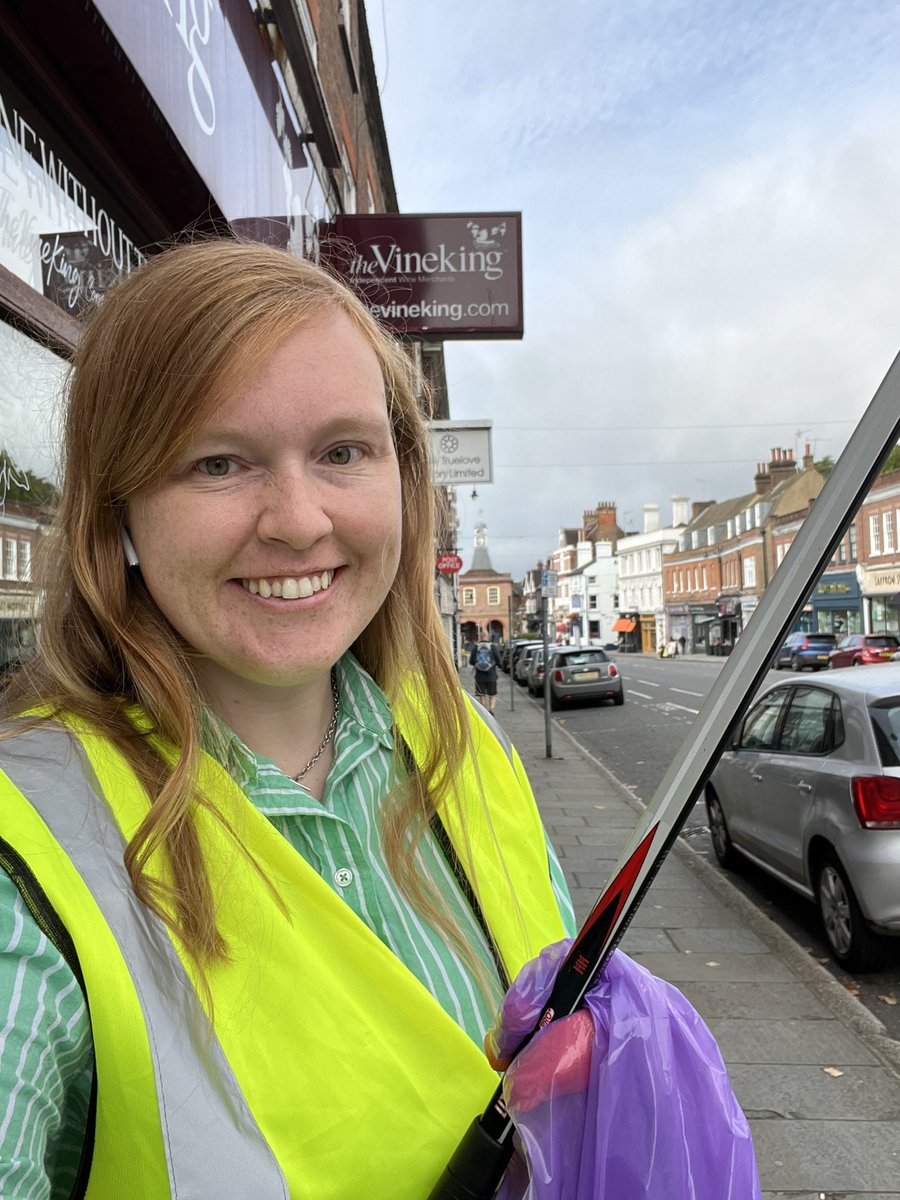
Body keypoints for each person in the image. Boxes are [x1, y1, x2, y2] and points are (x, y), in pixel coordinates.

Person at [0, 241, 758, 1199]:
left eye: (343, 452)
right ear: (118, 516)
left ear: (404, 482)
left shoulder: (465, 748)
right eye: (218, 462)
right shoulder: (26, 858)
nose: (298, 519)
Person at [469, 635, 501, 712]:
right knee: (492, 694)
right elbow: (499, 660)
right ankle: (491, 709)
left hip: (479, 676)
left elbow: (471, 661)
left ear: (480, 637)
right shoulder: (493, 647)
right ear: (488, 638)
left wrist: (478, 665)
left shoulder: (476, 647)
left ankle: (484, 711)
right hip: (491, 675)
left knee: (481, 695)